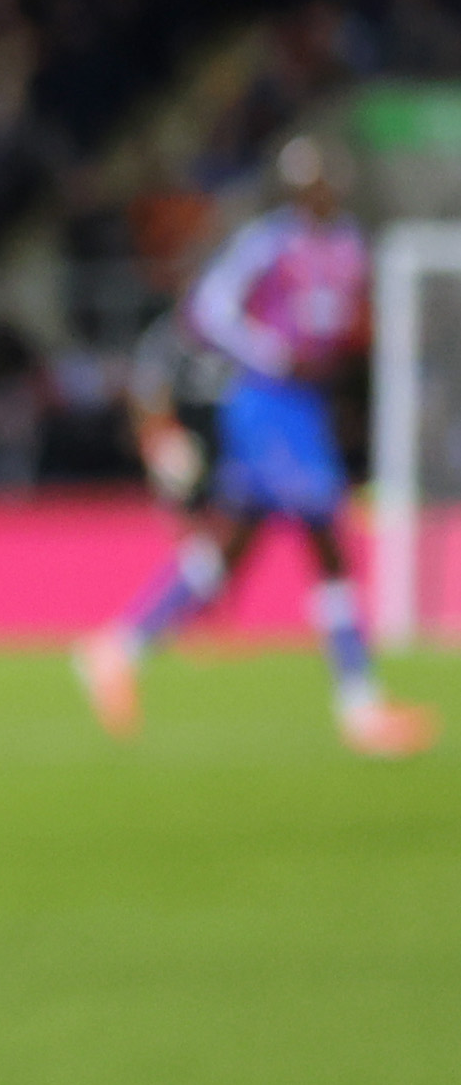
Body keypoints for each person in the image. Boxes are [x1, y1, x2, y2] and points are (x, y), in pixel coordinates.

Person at [78, 135, 434, 756]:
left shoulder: (350, 246)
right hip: (266, 402)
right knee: (327, 540)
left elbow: (346, 324)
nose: (319, 192)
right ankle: (359, 704)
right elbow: (208, 308)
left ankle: (119, 648)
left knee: (231, 548)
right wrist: (271, 352)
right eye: (308, 183)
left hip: (308, 406)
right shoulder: (268, 243)